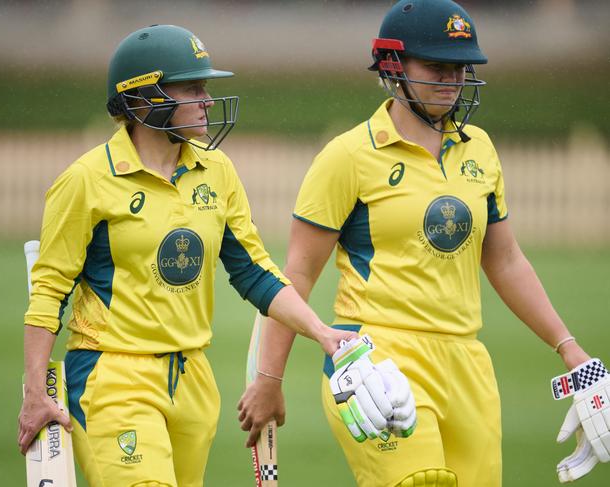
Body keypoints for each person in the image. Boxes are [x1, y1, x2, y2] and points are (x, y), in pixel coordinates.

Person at [237, 1, 609, 486]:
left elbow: (506, 260)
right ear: (393, 68)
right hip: (376, 361)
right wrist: (269, 381)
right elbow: (298, 275)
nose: (452, 80)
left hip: (467, 364)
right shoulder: (349, 156)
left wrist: (570, 349)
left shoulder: (480, 149)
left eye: (460, 68)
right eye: (436, 67)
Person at [16, 24, 358, 487]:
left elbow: (255, 273)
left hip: (193, 379)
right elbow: (50, 290)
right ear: (144, 98)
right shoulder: (86, 180)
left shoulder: (216, 171)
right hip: (112, 374)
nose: (207, 99)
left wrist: (320, 332)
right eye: (193, 87)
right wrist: (35, 389)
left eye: (206, 87)